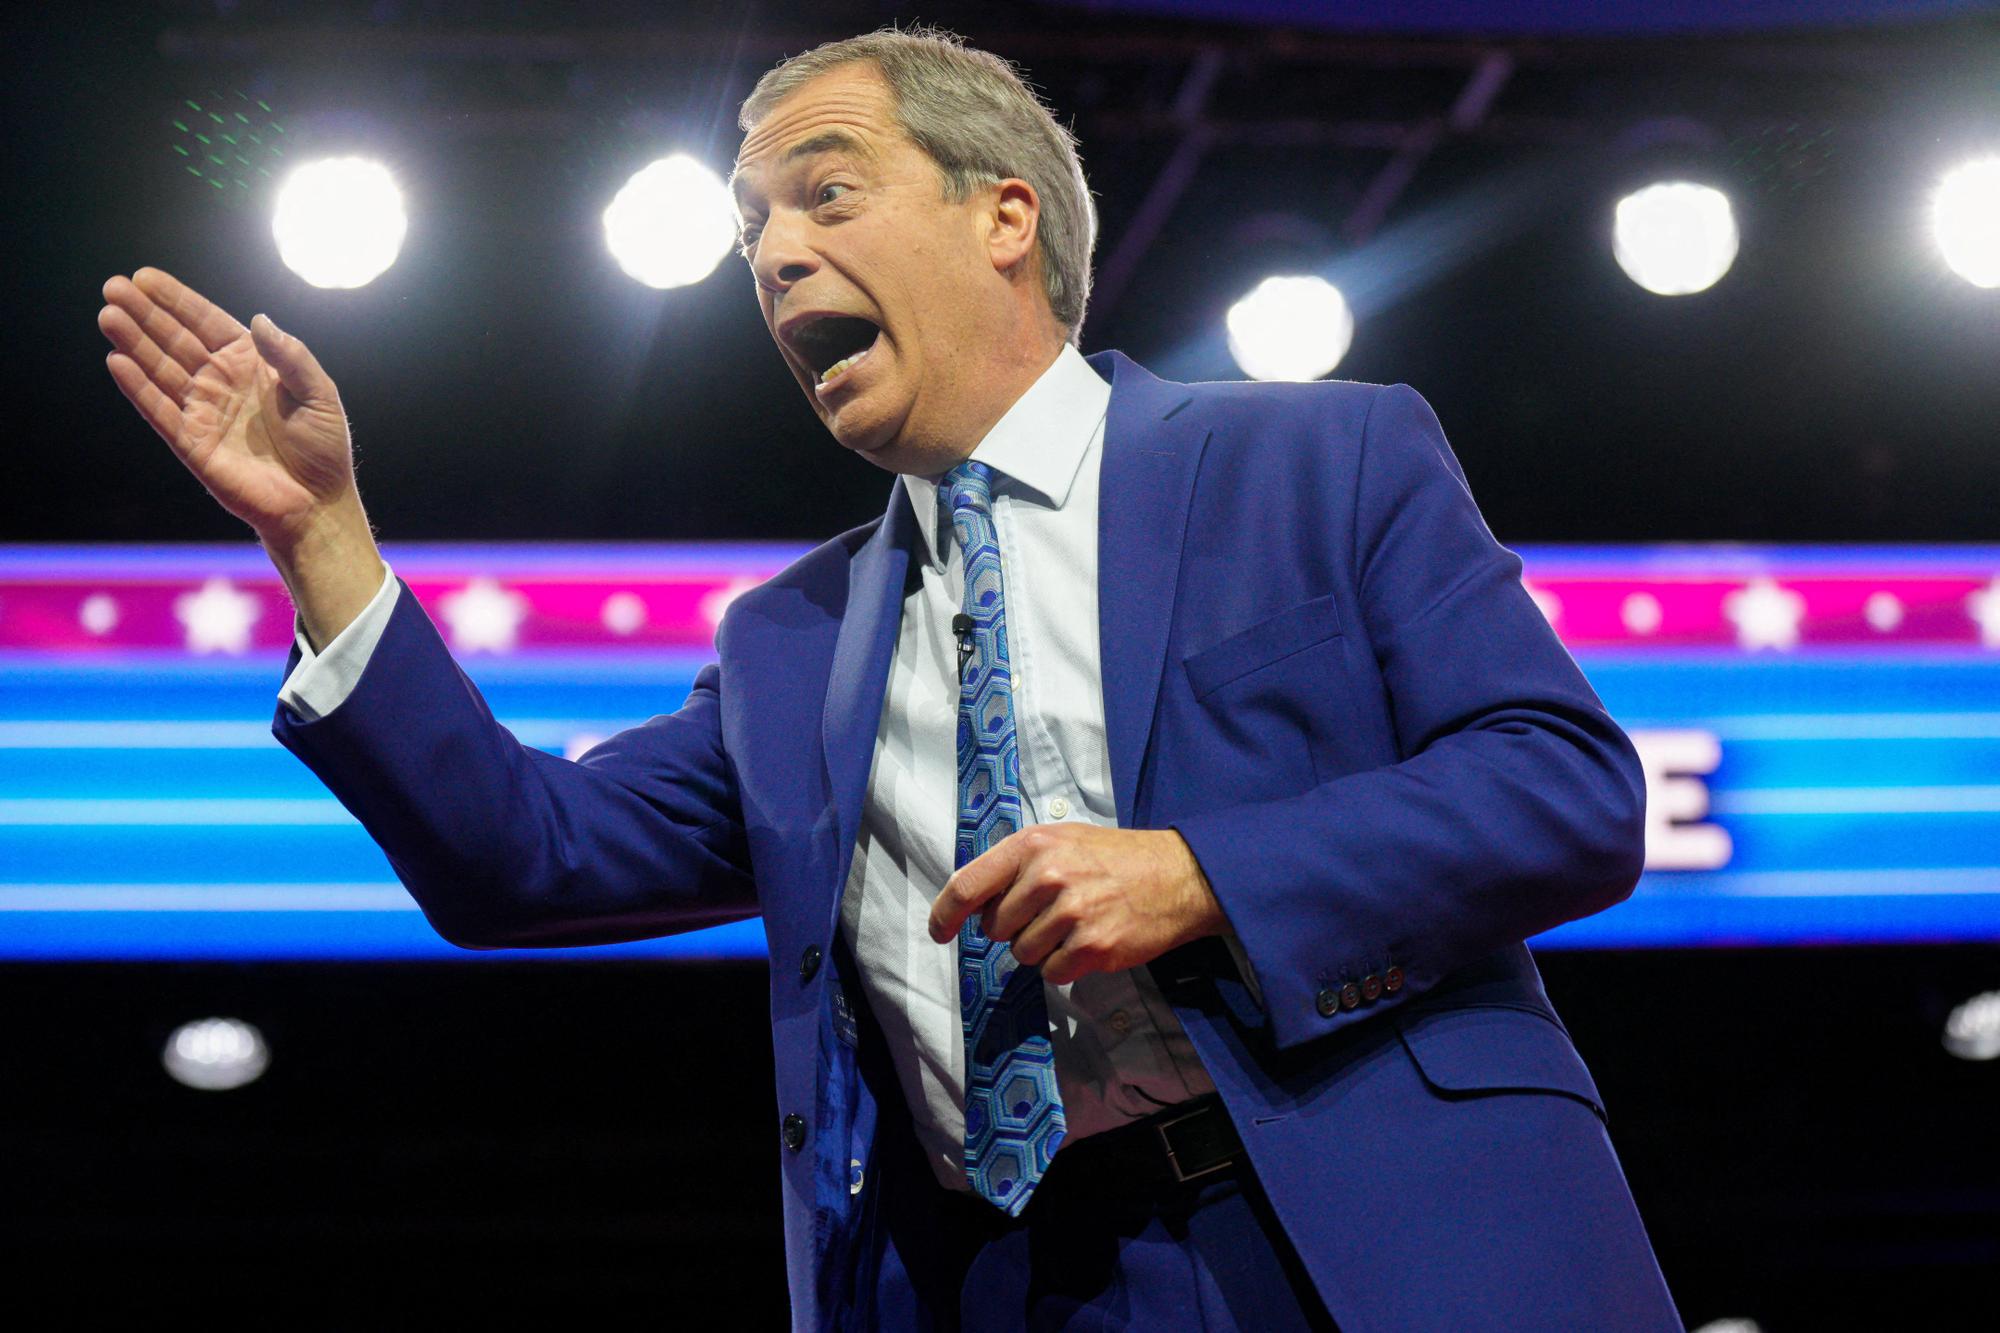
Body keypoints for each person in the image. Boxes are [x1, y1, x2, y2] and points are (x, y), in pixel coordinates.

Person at [98, 25, 1682, 1332]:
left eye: (826, 194)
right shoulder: (788, 644)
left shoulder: (1317, 457)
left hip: (1389, 1244)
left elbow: (1565, 788)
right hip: (1013, 1286)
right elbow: (523, 858)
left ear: (1004, 215)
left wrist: (1204, 872)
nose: (776, 258)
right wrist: (321, 535)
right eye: (751, 236)